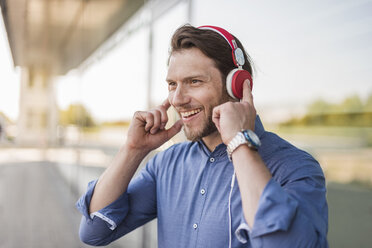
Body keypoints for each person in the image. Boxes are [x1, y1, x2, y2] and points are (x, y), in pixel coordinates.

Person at [76, 24, 328, 247]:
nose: (178, 99)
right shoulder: (166, 164)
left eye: (194, 82)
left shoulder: (294, 167)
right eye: (172, 84)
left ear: (237, 85)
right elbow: (94, 232)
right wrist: (133, 150)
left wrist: (240, 143)